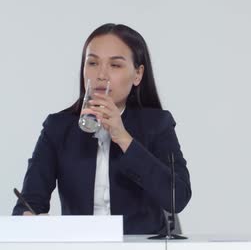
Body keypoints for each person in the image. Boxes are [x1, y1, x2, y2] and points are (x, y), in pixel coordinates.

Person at [13, 24, 191, 235]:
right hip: (80, 245)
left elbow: (177, 198)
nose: (101, 74)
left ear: (137, 74)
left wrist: (123, 138)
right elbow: (29, 202)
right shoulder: (58, 127)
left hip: (138, 246)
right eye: (93, 63)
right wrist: (30, 219)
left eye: (115, 65)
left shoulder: (157, 124)